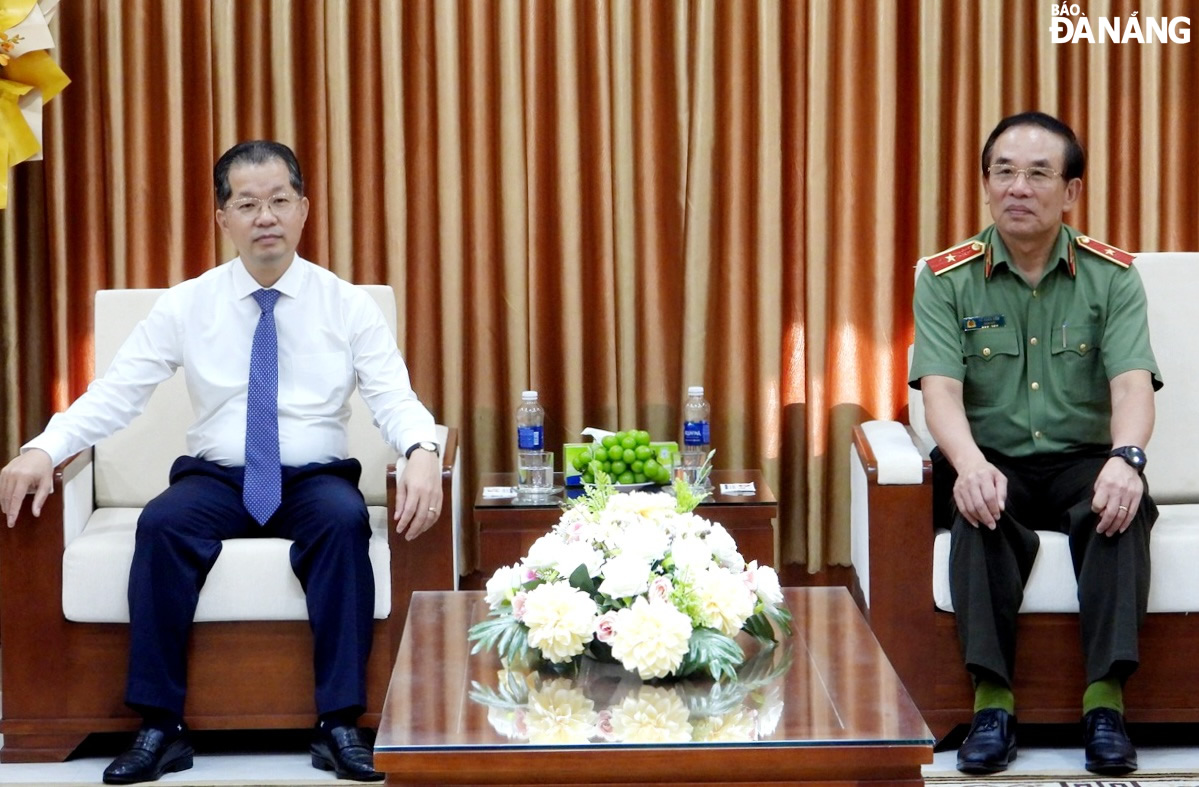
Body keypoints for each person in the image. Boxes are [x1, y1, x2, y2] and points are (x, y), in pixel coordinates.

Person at [0, 140, 444, 783]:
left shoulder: (347, 305)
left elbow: (393, 398)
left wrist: (422, 448)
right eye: (248, 204)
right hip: (217, 477)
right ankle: (160, 726)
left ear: (303, 209)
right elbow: (116, 394)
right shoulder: (187, 304)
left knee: (345, 525)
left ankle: (340, 724)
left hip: (315, 478)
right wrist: (45, 446)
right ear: (223, 218)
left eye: (279, 201)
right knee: (161, 525)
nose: (266, 217)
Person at [911, 112, 1160, 776]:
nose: (1017, 187)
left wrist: (1125, 460)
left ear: (1070, 191)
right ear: (985, 184)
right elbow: (939, 390)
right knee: (977, 508)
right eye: (1002, 172)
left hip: (1082, 457)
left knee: (1117, 507)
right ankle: (991, 704)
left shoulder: (1111, 276)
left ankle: (1104, 705)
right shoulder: (944, 277)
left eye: (1037, 173)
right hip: (989, 455)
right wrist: (965, 465)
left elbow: (1132, 386)